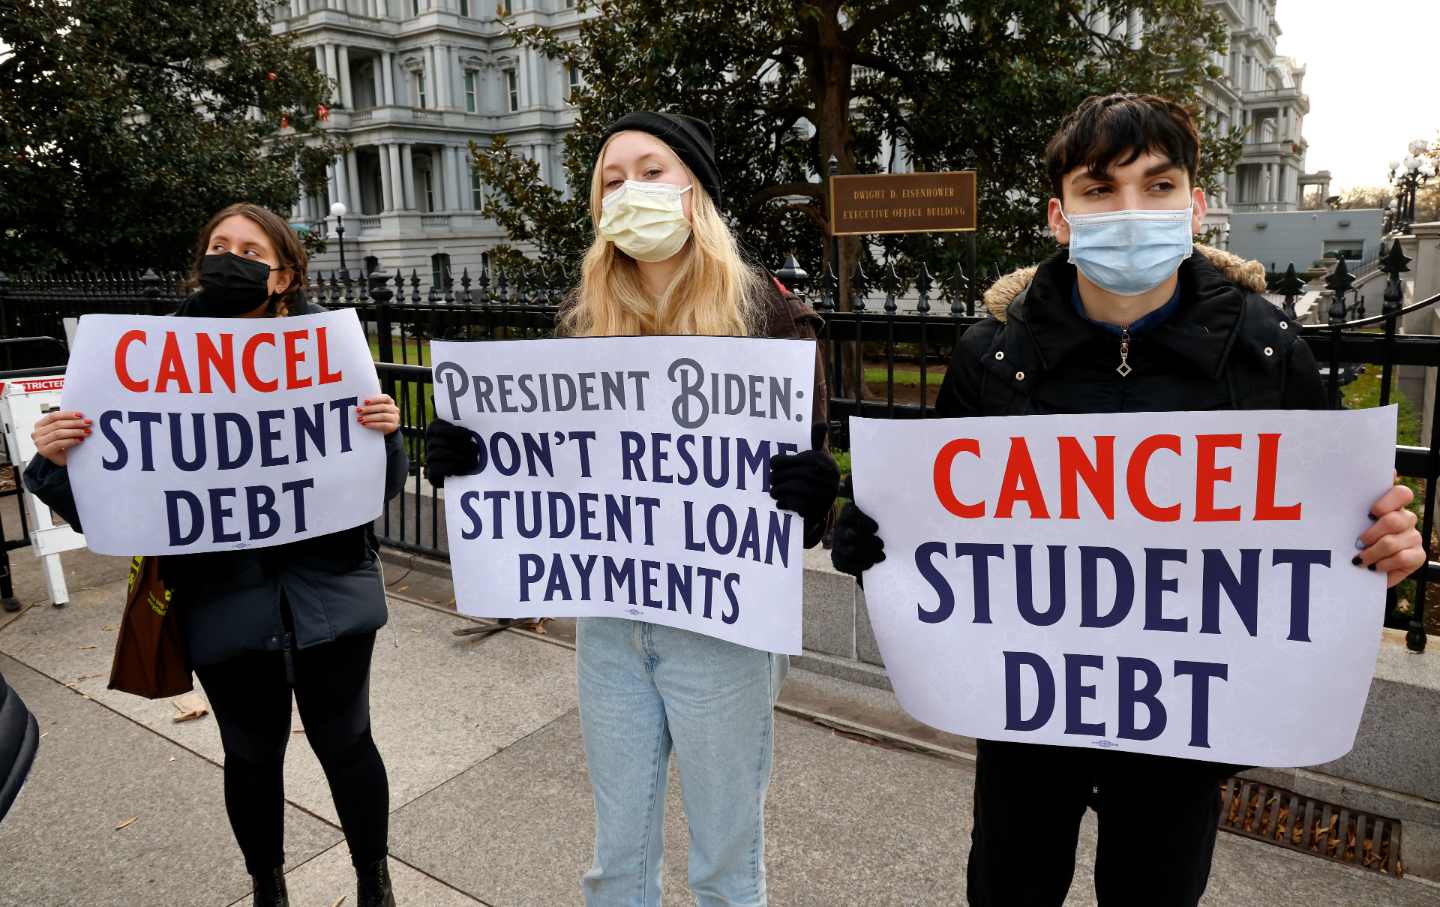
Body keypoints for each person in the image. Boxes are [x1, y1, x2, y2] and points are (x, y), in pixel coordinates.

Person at [830, 93, 1427, 907]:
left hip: (1183, 729)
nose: (1132, 210)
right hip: (1029, 718)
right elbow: (936, 534)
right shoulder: (993, 358)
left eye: (1158, 185)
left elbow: (1322, 539)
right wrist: (872, 532)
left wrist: (1379, 552)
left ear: (1196, 205)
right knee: (1007, 890)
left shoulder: (1264, 354)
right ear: (1060, 215)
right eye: (1100, 189)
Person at [424, 112, 838, 906]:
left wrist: (813, 492)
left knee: (725, 865)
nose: (630, 191)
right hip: (611, 626)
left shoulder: (772, 318)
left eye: (651, 171)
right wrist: (474, 461)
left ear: (696, 192)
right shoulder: (586, 321)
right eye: (612, 180)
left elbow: (804, 516)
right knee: (617, 861)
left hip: (723, 632)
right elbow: (552, 469)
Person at [24, 203, 408, 907]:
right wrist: (53, 463)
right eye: (218, 246)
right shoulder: (141, 362)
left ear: (284, 273)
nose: (230, 258)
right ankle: (268, 884)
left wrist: (386, 433)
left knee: (347, 740)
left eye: (250, 248)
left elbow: (379, 488)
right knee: (252, 753)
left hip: (332, 588)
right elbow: (118, 505)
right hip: (220, 596)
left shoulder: (330, 351)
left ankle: (373, 877)